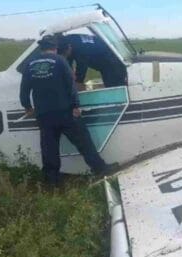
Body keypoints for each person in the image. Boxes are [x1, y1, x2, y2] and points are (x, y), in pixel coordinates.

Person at [20, 35, 111, 185]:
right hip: (65, 112)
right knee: (84, 142)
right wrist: (76, 106)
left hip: (44, 115)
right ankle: (100, 169)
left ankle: (51, 181)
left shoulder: (30, 64)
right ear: (55, 48)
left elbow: (24, 89)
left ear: (41, 48)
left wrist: (27, 107)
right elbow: (71, 85)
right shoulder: (60, 61)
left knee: (49, 149)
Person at [57, 34, 126, 90]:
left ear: (69, 47)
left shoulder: (79, 48)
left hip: (112, 62)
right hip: (103, 65)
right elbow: (68, 63)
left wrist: (78, 83)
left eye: (65, 55)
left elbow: (81, 68)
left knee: (114, 88)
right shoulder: (65, 43)